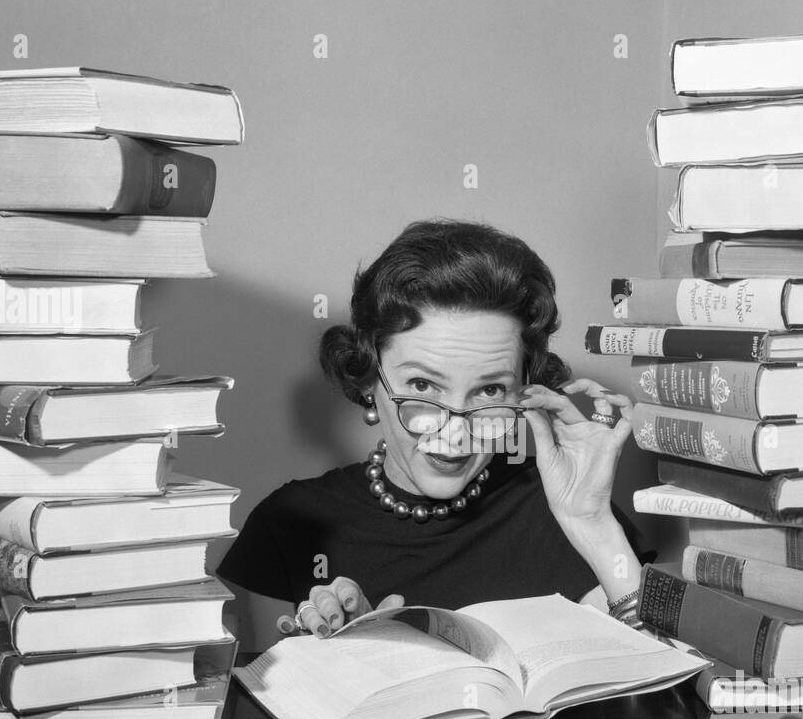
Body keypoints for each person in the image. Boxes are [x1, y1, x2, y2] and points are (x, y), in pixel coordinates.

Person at [217, 218, 656, 650]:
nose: (456, 433)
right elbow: (247, 703)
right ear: (370, 379)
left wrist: (593, 525)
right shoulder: (288, 526)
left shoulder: (566, 515)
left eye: (490, 390)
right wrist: (344, 657)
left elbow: (665, 693)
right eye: (423, 387)